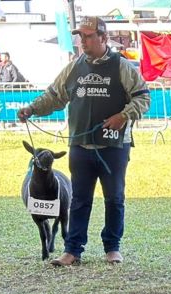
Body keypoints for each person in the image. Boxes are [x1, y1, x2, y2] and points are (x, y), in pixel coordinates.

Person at [18, 17, 150, 266]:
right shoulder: (73, 67)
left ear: (103, 37)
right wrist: (31, 108)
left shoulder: (122, 66)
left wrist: (123, 116)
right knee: (79, 199)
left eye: (88, 36)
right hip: (80, 146)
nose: (83, 41)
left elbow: (143, 98)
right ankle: (72, 250)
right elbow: (54, 97)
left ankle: (112, 247)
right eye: (81, 36)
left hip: (114, 145)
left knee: (114, 198)